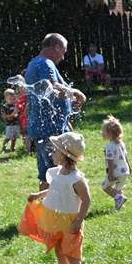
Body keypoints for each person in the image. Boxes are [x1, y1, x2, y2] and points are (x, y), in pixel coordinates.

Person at [18, 131, 90, 264]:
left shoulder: (76, 179)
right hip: (55, 218)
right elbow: (54, 190)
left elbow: (86, 200)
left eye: (56, 151)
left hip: (71, 221)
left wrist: (79, 220)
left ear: (65, 156)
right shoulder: (56, 173)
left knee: (72, 254)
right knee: (59, 251)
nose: (52, 153)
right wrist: (38, 195)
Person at [26, 34, 87, 191]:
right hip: (50, 131)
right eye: (64, 51)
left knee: (47, 175)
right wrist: (76, 93)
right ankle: (60, 212)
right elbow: (53, 89)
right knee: (60, 174)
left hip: (43, 128)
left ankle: (45, 212)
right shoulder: (44, 64)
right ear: (57, 47)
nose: (63, 55)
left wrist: (68, 109)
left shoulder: (35, 63)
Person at [101, 115, 131, 210]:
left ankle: (120, 198)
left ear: (109, 133)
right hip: (125, 171)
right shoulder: (121, 144)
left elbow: (110, 161)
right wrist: (129, 167)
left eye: (104, 131)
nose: (102, 133)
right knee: (118, 189)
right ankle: (120, 206)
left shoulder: (109, 147)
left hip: (116, 172)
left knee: (105, 187)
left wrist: (110, 173)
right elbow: (126, 157)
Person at [15, 83, 32, 153]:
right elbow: (17, 109)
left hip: (25, 119)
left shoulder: (24, 99)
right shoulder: (25, 99)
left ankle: (28, 149)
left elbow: (17, 109)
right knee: (25, 134)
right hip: (24, 119)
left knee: (26, 134)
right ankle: (27, 149)